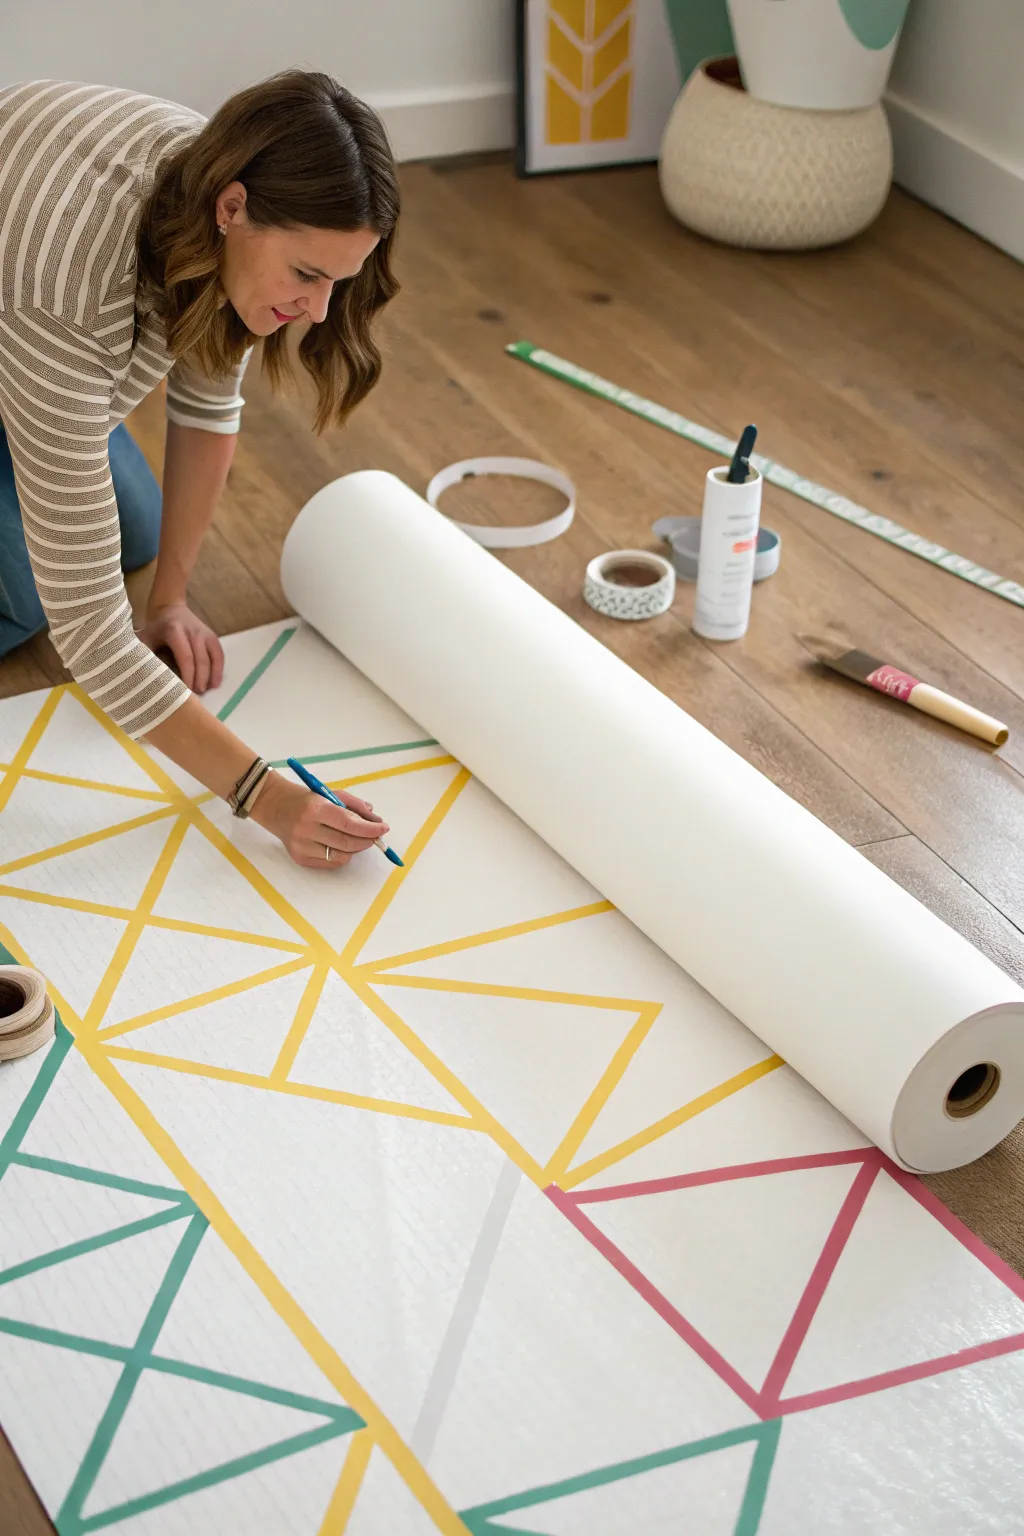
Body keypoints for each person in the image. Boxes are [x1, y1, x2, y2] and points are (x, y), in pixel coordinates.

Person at [0, 70, 400, 868]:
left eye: (339, 282)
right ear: (233, 210)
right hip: (32, 299)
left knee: (137, 532)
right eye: (307, 276)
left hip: (31, 322)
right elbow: (90, 633)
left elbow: (209, 406)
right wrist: (264, 794)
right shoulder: (68, 293)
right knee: (31, 599)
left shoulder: (220, 183)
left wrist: (171, 600)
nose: (319, 312)